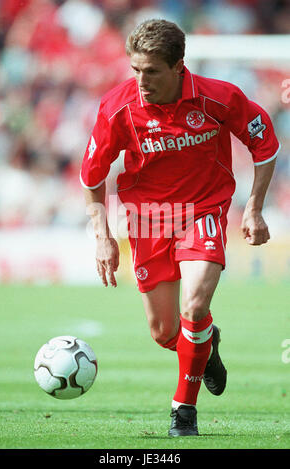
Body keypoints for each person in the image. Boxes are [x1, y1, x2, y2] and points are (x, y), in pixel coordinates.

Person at [80, 19, 280, 437]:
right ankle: (207, 345)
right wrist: (101, 237)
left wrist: (254, 208)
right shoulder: (118, 108)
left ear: (178, 67)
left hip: (202, 210)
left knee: (194, 305)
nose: (141, 81)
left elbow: (264, 143)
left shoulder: (218, 97)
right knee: (164, 331)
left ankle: (182, 414)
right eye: (135, 70)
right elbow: (91, 177)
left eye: (151, 71)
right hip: (146, 218)